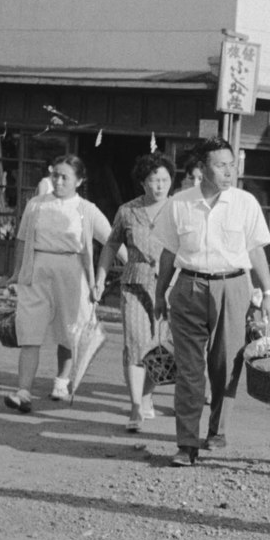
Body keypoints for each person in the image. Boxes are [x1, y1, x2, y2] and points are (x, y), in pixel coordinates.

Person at [150, 139, 270, 466]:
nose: (229, 170)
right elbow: (168, 253)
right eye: (220, 165)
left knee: (225, 366)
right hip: (188, 286)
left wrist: (268, 294)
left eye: (231, 164)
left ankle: (217, 429)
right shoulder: (179, 203)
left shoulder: (246, 203)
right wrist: (160, 294)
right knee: (191, 370)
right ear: (202, 169)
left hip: (233, 287)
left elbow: (256, 250)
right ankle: (186, 443)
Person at [0, 154, 111, 412]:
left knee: (68, 330)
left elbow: (112, 240)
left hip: (72, 272)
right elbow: (22, 239)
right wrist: (17, 272)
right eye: (55, 175)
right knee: (30, 331)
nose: (59, 181)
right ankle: (23, 391)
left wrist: (139, 264)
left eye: (65, 177)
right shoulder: (36, 205)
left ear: (79, 181)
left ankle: (62, 381)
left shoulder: (87, 210)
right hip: (36, 270)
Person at [95, 153, 175, 432]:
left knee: (162, 349)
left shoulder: (178, 210)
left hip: (170, 286)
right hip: (134, 286)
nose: (160, 186)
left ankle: (147, 395)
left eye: (165, 180)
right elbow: (110, 245)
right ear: (143, 183)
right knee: (136, 345)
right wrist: (99, 278)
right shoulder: (127, 211)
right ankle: (135, 408)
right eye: (154, 180)